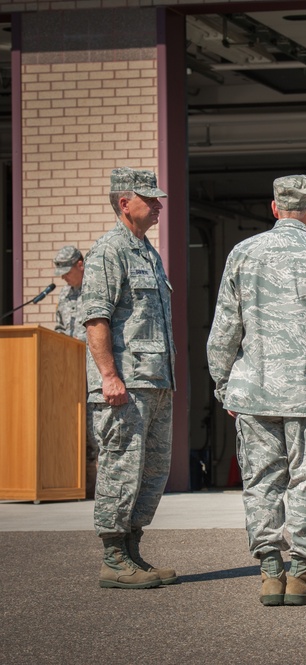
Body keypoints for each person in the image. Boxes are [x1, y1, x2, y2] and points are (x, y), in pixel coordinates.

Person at [208, 175, 306, 606]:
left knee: (261, 482)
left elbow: (225, 327)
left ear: (274, 208)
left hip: (255, 392)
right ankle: (301, 573)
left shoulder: (243, 253)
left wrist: (224, 385)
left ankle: (270, 572)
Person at [81, 167, 176, 589]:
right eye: (149, 199)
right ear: (124, 202)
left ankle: (133, 550)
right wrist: (108, 376)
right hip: (125, 385)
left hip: (155, 382)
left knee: (152, 472)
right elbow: (96, 319)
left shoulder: (146, 252)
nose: (157, 206)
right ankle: (113, 558)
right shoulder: (109, 251)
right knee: (121, 467)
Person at [53, 244, 99, 498]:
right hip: (70, 376)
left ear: (80, 265)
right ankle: (77, 487)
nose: (63, 276)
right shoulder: (65, 295)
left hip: (95, 371)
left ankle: (97, 490)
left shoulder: (97, 288)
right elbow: (60, 330)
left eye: (66, 270)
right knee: (74, 432)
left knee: (95, 433)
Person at [53, 245, 87, 342]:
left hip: (91, 354)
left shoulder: (98, 290)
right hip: (67, 354)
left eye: (67, 273)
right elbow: (60, 327)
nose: (63, 277)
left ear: (80, 265)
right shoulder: (64, 293)